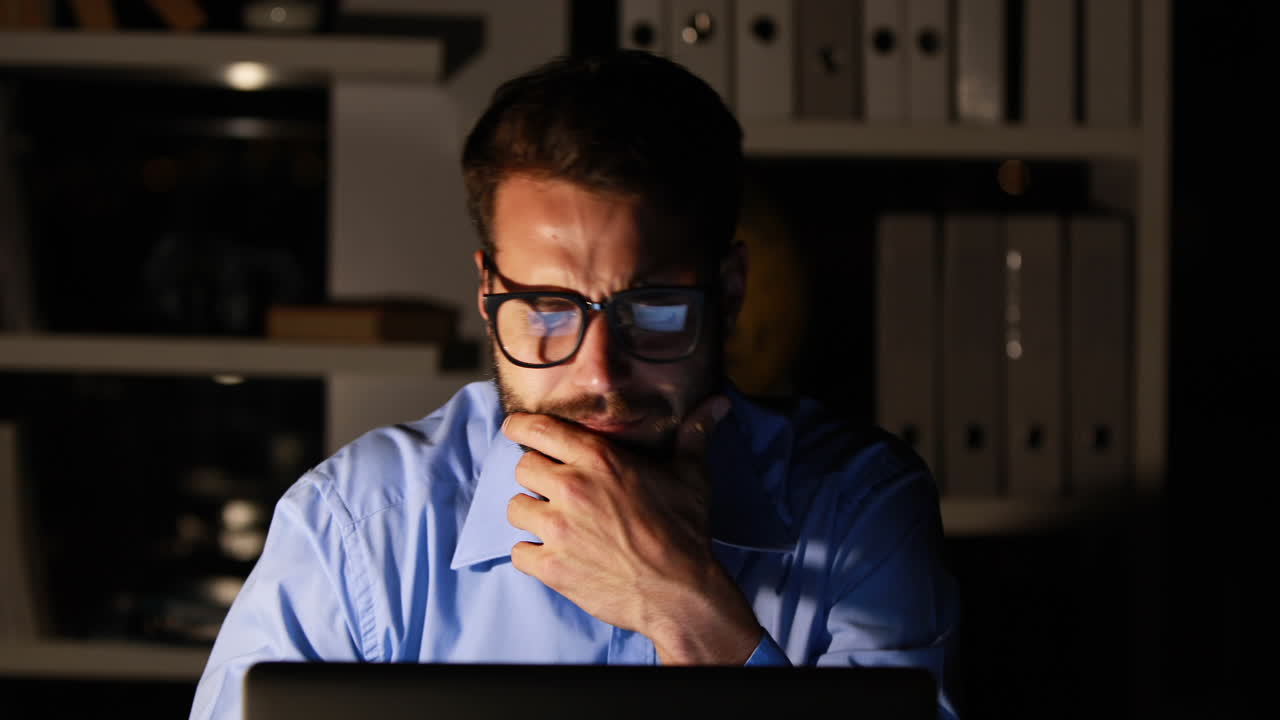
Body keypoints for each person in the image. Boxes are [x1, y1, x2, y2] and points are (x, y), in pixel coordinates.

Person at [189, 50, 960, 720]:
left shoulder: (860, 506)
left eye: (652, 309)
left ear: (727, 293)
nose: (599, 373)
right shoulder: (357, 528)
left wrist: (683, 604)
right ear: (489, 299)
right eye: (547, 309)